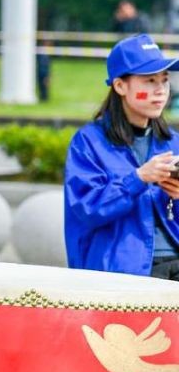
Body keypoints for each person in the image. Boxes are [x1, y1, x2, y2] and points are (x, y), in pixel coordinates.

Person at [65, 34, 179, 278]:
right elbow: (86, 209)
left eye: (164, 81)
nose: (160, 91)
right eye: (149, 81)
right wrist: (138, 178)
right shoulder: (88, 142)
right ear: (120, 86)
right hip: (122, 271)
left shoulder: (172, 141)